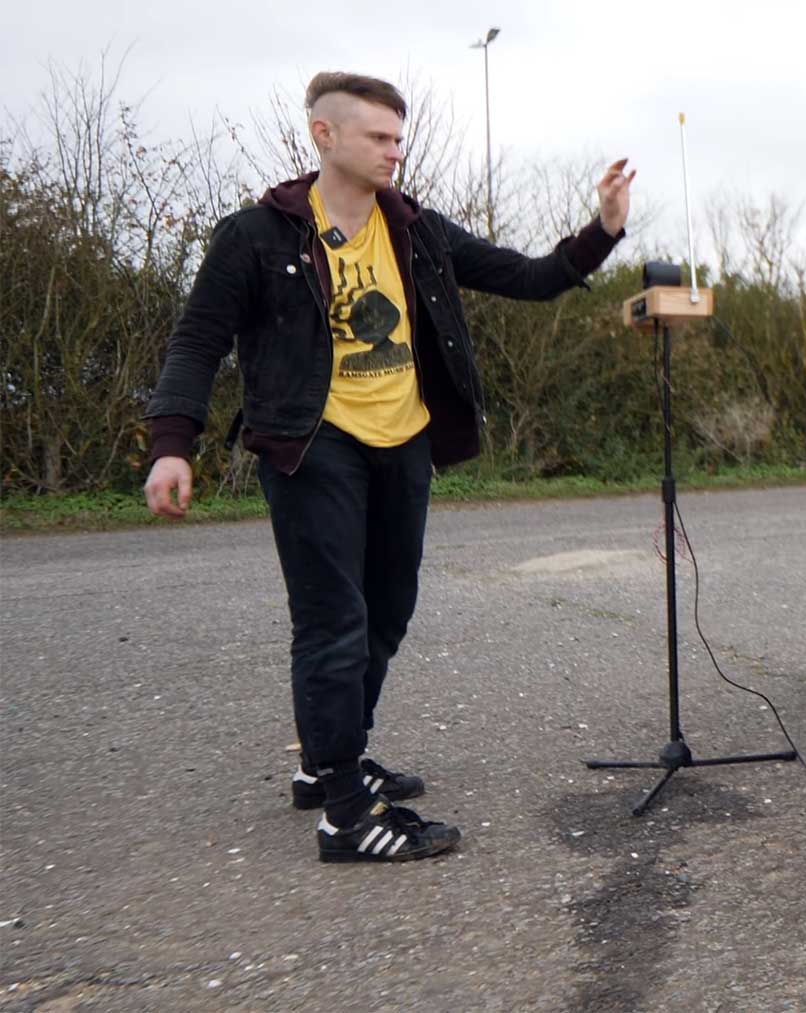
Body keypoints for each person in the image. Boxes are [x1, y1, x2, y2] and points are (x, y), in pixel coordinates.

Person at [142, 71, 633, 862]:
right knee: (333, 621)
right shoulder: (256, 238)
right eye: (378, 136)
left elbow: (528, 277)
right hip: (311, 445)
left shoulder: (416, 229)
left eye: (399, 137)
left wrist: (601, 230)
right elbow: (198, 339)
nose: (394, 151)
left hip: (403, 443)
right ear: (324, 135)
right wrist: (173, 443)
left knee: (385, 613)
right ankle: (345, 813)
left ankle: (326, 760)